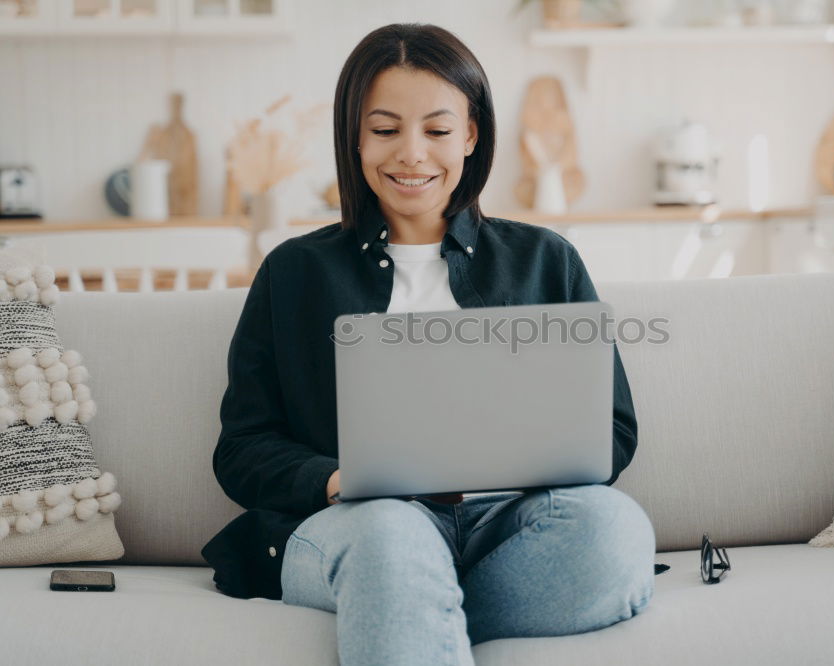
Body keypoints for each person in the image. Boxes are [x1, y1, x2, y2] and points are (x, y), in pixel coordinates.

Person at [201, 22, 655, 666]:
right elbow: (242, 449)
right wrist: (337, 481)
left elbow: (612, 429)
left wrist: (520, 461)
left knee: (614, 530)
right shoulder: (293, 273)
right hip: (359, 529)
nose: (412, 154)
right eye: (385, 130)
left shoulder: (545, 260)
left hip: (506, 527)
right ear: (354, 138)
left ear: (471, 135)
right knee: (392, 534)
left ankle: (405, 607)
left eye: (438, 131)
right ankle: (400, 588)